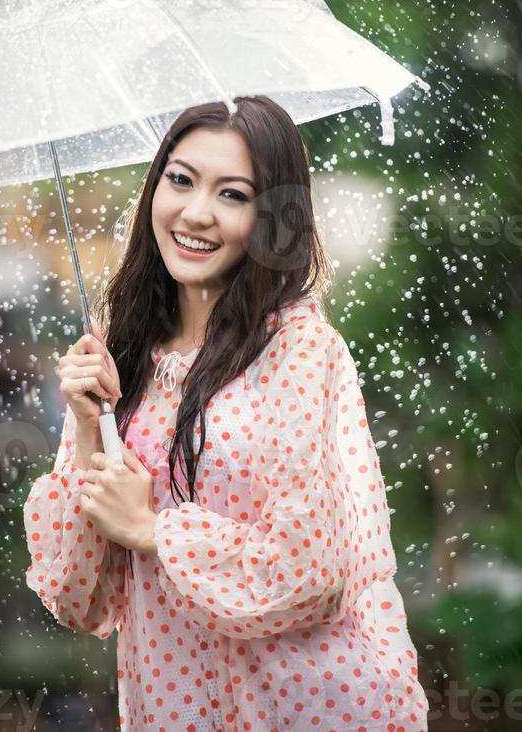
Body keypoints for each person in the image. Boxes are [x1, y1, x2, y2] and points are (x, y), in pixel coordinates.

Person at [23, 95, 429, 732]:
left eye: (233, 195)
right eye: (180, 181)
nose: (196, 213)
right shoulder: (120, 347)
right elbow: (81, 600)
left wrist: (156, 529)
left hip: (305, 708)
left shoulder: (296, 349)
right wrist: (84, 428)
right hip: (173, 707)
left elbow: (310, 571)